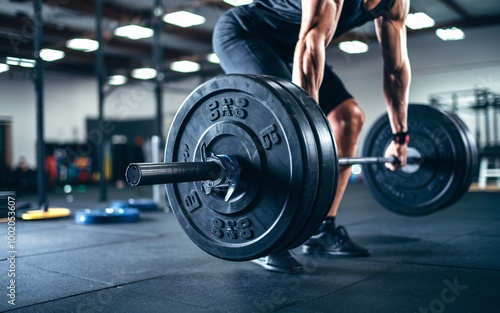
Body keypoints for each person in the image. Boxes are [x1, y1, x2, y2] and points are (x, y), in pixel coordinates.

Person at [213, 0, 411, 274]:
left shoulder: (396, 3)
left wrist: (400, 136)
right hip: (246, 33)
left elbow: (395, 69)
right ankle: (265, 232)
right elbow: (309, 44)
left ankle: (320, 228)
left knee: (348, 119)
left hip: (291, 47)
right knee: (280, 119)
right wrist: (308, 139)